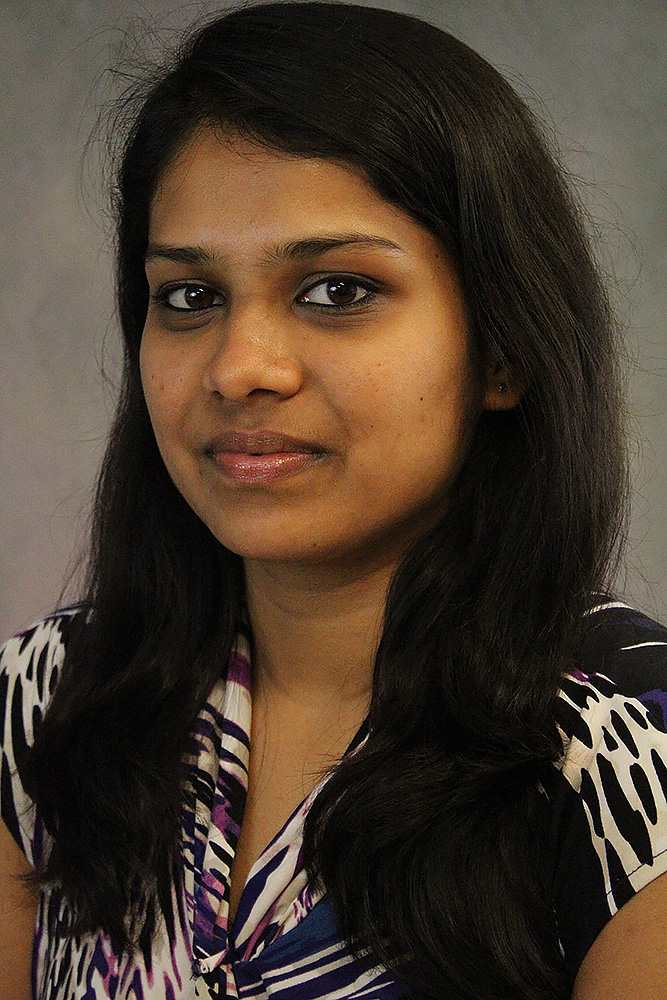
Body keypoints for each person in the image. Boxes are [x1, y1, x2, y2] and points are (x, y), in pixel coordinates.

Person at [1, 2, 667, 998]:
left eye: (337, 291)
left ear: (503, 349)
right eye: (190, 297)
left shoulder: (629, 757)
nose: (239, 367)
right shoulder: (44, 703)